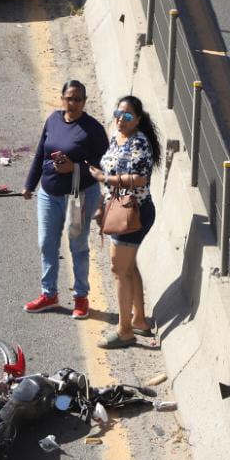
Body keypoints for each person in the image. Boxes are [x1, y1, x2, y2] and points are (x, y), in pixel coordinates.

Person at [22, 80, 109, 319]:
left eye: (78, 99)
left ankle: (81, 297)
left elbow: (105, 164)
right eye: (69, 98)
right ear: (62, 99)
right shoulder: (53, 120)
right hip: (48, 195)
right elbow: (41, 151)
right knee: (46, 244)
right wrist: (30, 184)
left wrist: (75, 167)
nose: (73, 103)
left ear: (84, 101)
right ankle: (49, 294)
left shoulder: (93, 129)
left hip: (78, 197)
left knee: (77, 246)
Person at [88, 95, 160, 349]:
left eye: (127, 116)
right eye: (118, 114)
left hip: (132, 213)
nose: (121, 119)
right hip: (119, 209)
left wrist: (106, 179)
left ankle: (124, 330)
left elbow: (140, 178)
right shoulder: (117, 137)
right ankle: (139, 320)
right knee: (128, 268)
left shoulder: (139, 142)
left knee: (118, 271)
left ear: (137, 119)